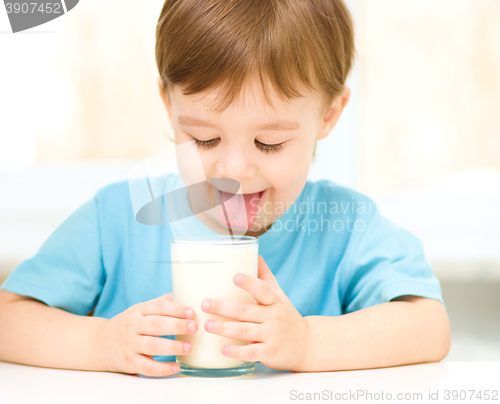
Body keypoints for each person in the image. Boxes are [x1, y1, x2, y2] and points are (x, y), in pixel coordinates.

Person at [0, 0, 451, 377]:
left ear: (330, 115)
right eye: (205, 139)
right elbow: (8, 318)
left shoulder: (347, 226)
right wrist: (99, 342)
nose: (233, 170)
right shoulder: (116, 218)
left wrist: (309, 342)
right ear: (168, 104)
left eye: (269, 143)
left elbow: (429, 326)